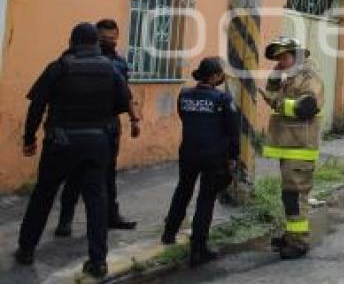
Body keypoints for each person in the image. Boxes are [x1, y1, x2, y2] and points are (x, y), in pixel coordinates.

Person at [15, 23, 132, 278]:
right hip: (96, 143)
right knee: (96, 202)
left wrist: (29, 138)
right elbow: (122, 104)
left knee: (43, 195)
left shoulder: (59, 67)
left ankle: (26, 249)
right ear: (96, 43)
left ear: (72, 41)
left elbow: (37, 106)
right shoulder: (111, 70)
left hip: (61, 143)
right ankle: (98, 261)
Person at [55, 18, 140, 237]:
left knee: (108, 175)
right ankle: (65, 220)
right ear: (96, 38)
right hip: (81, 124)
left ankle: (111, 216)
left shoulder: (120, 63)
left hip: (109, 125)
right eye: (104, 38)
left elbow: (125, 93)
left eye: (112, 38)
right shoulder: (74, 59)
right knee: (74, 175)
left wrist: (134, 119)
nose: (109, 42)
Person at [161, 57, 238, 267]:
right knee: (206, 199)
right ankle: (198, 248)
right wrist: (233, 157)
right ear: (214, 76)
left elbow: (184, 117)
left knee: (183, 190)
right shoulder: (222, 99)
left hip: (188, 152)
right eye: (221, 74)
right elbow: (233, 132)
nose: (222, 77)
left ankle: (169, 233)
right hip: (213, 156)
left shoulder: (184, 95)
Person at [261, 36, 324, 260]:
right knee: (290, 196)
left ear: (296, 55)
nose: (280, 61)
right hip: (288, 146)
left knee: (296, 196)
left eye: (284, 56)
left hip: (300, 146)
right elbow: (269, 96)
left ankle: (299, 241)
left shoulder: (308, 76)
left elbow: (308, 106)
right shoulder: (288, 77)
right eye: (278, 57)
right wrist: (275, 77)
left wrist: (279, 103)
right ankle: (291, 235)